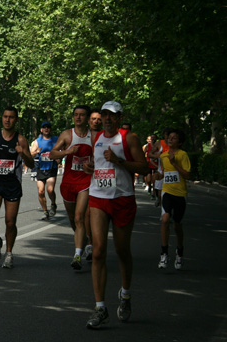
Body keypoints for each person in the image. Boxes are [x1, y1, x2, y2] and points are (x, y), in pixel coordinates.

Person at [83, 101, 148, 329]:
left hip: (122, 199)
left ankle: (126, 294)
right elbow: (96, 163)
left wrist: (119, 161)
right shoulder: (96, 138)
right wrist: (90, 168)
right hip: (98, 197)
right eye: (104, 115)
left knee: (122, 250)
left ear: (119, 118)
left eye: (112, 115)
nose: (107, 119)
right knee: (99, 250)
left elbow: (145, 167)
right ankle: (100, 307)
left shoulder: (128, 138)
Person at [0, 107, 34, 269]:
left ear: (16, 120)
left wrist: (23, 154)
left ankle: (9, 253)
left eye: (11, 117)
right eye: (5, 116)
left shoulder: (21, 140)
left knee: (10, 222)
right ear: (2, 118)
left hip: (13, 185)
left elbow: (31, 164)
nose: (7, 120)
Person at [50, 105, 94, 270]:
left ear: (87, 118)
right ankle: (83, 239)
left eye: (82, 115)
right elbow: (52, 154)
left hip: (85, 182)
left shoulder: (94, 136)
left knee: (79, 217)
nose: (78, 118)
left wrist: (93, 164)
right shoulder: (67, 135)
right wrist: (67, 152)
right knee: (72, 219)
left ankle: (77, 255)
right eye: (76, 114)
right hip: (68, 182)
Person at [157, 129, 190, 270]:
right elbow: (164, 173)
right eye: (169, 137)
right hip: (167, 193)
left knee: (177, 225)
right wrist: (156, 177)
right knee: (165, 219)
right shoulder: (163, 156)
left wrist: (175, 163)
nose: (170, 139)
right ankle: (164, 254)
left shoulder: (183, 155)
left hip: (180, 194)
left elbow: (187, 175)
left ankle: (180, 251)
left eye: (174, 138)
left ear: (180, 142)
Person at [29, 121, 59, 220]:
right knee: (41, 192)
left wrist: (59, 157)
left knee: (50, 190)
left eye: (48, 127)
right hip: (41, 169)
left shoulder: (56, 139)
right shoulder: (37, 141)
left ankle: (53, 204)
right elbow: (31, 154)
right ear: (41, 130)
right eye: (44, 127)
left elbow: (62, 151)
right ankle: (45, 211)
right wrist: (36, 152)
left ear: (50, 129)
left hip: (51, 168)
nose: (46, 129)